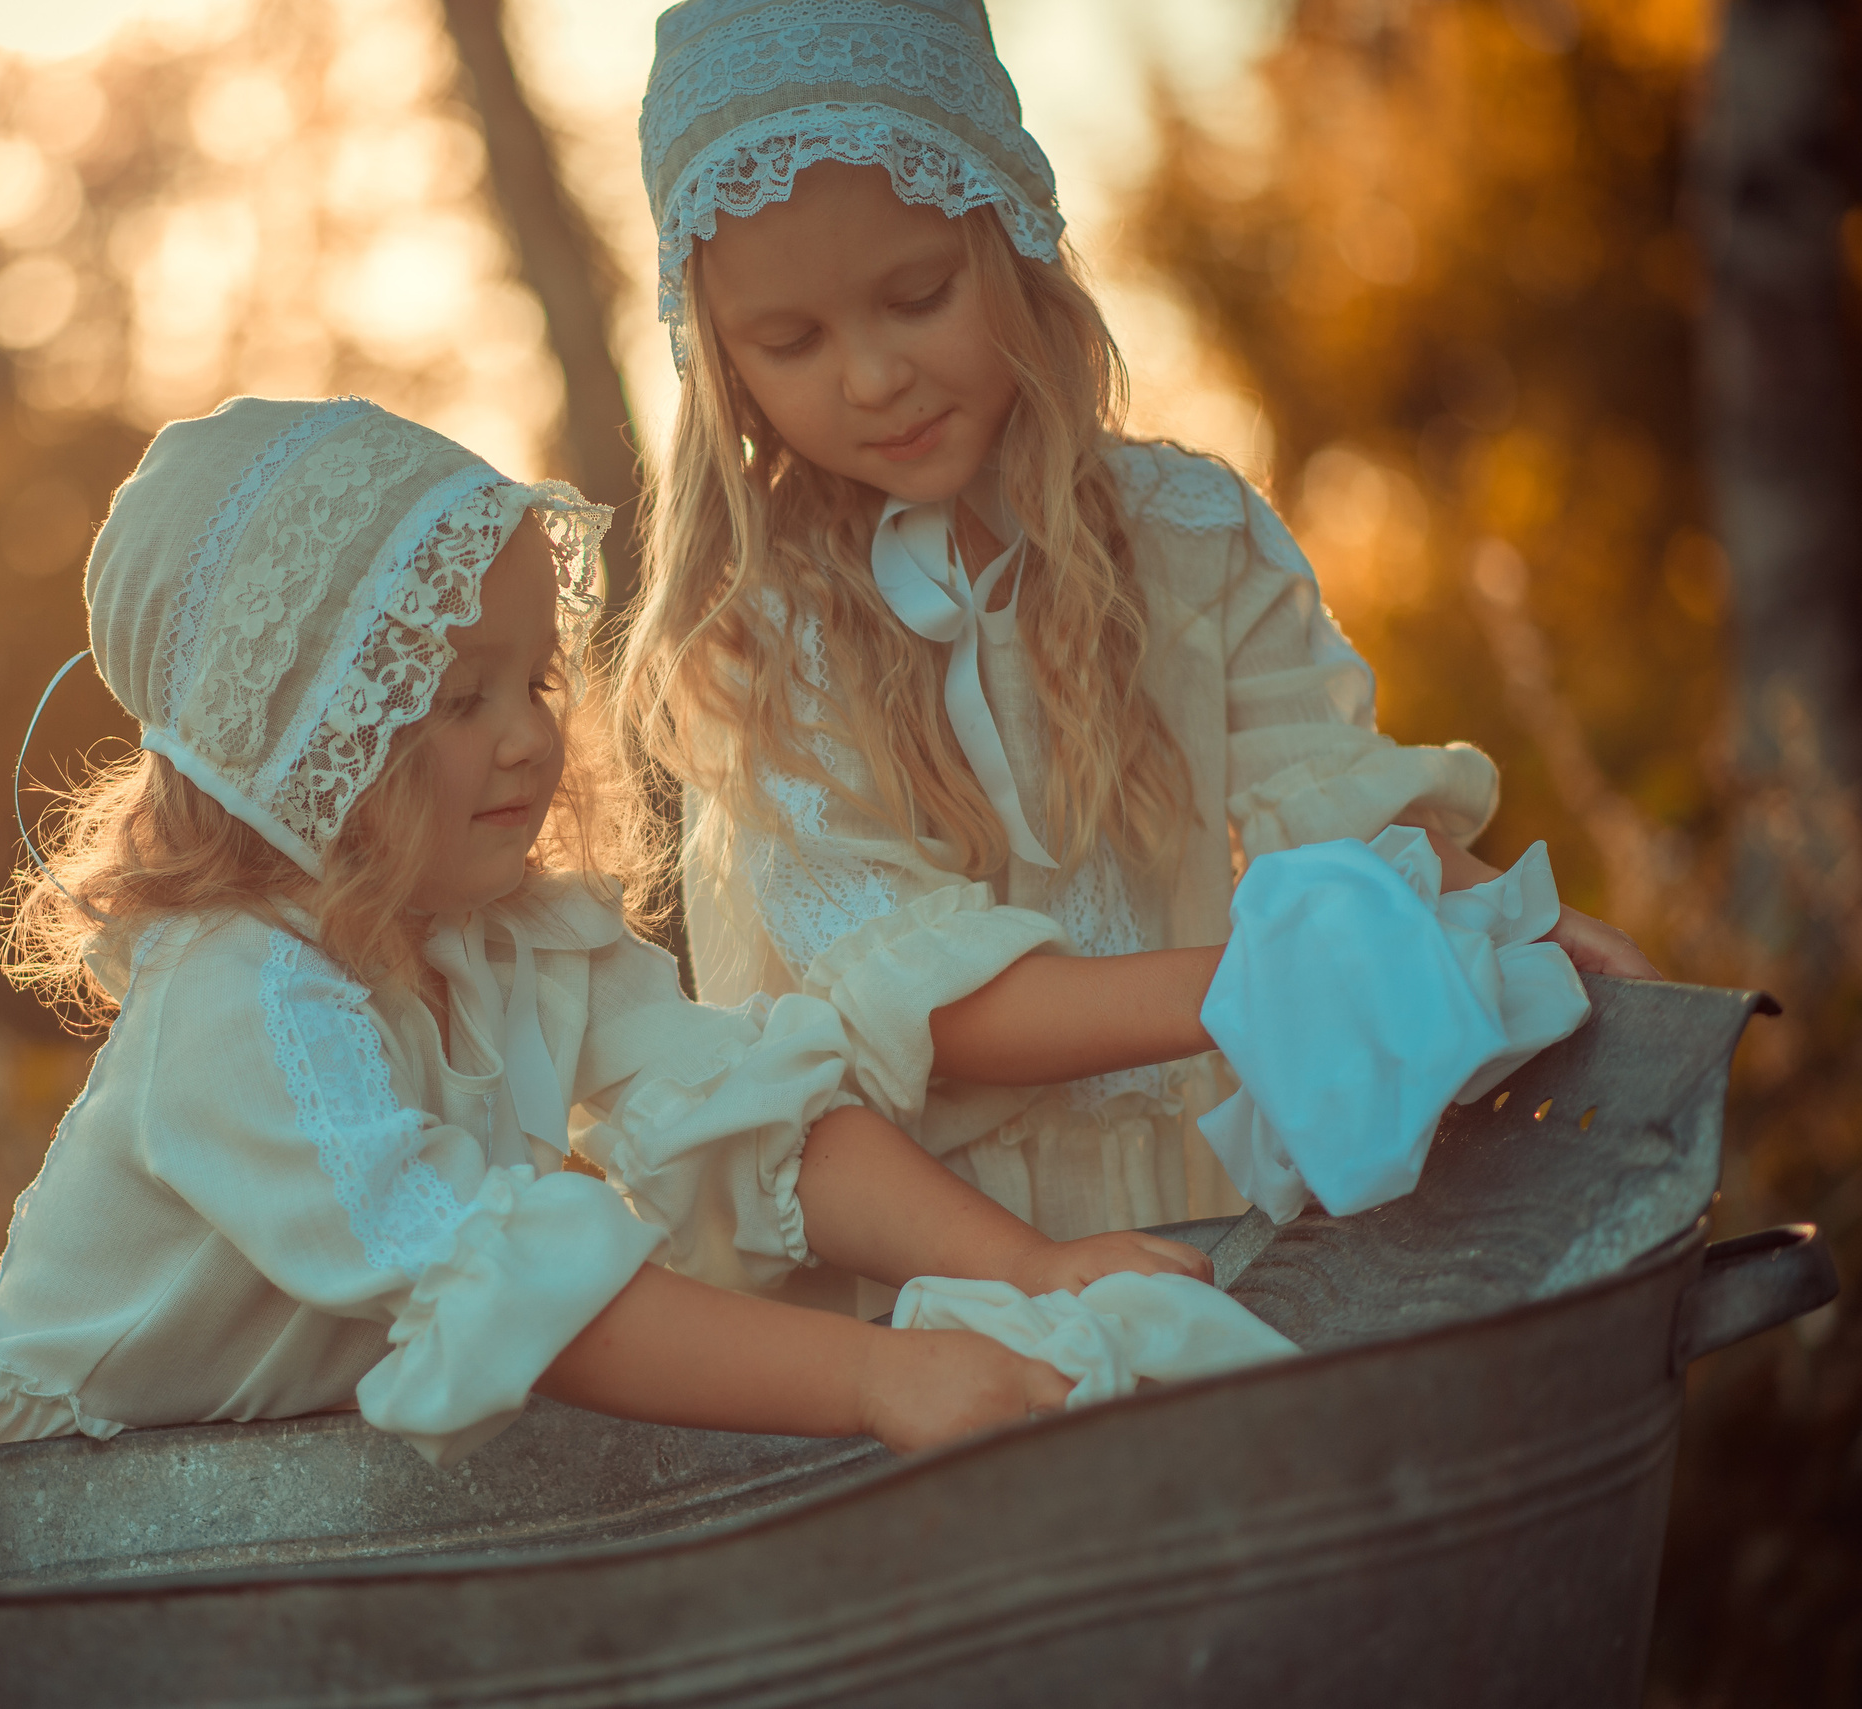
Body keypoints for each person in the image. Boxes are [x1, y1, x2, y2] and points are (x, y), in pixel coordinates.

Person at [0, 396, 1214, 1473]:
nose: (529, 733)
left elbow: (742, 1114)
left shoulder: (502, 933)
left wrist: (1023, 1267)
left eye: (537, 678)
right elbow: (508, 1282)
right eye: (457, 696)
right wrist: (875, 1376)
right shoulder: (241, 1002)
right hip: (21, 1506)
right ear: (307, 741)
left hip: (218, 1507)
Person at [621, 0, 1658, 1315]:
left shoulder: (1192, 535)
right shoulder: (767, 653)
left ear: (1014, 235)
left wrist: (1500, 920)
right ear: (720, 364)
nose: (873, 375)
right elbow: (931, 1006)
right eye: (793, 342)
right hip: (955, 1262)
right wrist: (1266, 982)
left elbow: (1329, 805)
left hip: (1219, 1191)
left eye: (916, 295)